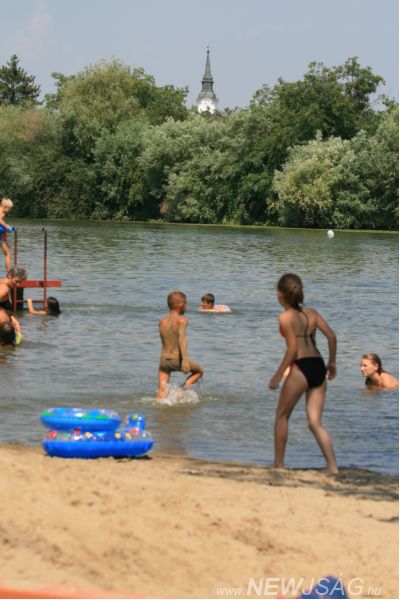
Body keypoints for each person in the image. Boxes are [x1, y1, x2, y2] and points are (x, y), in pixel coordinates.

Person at [268, 273, 338, 474]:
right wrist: (332, 362)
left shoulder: (285, 317)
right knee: (315, 422)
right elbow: (332, 337)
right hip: (318, 365)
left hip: (301, 366)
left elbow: (292, 349)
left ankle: (279, 465)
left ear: (281, 295)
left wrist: (277, 376)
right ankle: (332, 466)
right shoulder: (312, 313)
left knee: (282, 415)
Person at [158, 291, 204, 399]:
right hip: (176, 359)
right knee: (199, 371)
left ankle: (160, 406)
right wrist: (184, 360)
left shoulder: (162, 321)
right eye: (186, 304)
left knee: (162, 388)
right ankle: (180, 391)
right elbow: (182, 339)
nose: (186, 307)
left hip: (163, 360)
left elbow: (165, 341)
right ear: (181, 305)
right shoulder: (182, 320)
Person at [0, 198, 15, 273]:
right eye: (9, 208)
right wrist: (7, 227)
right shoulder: (2, 212)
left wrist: (5, 228)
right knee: (8, 253)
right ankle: (9, 274)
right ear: (5, 207)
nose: (9, 210)